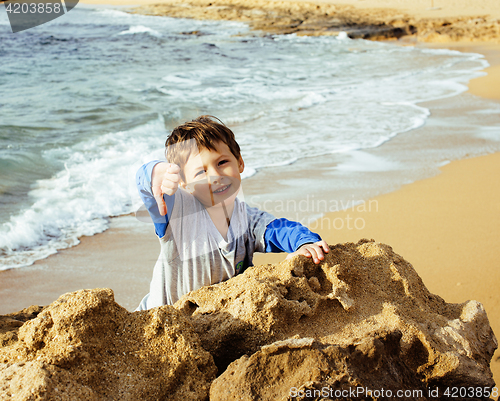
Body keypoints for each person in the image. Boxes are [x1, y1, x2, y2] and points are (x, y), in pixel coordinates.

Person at [135, 115, 328, 310]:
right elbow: (146, 185)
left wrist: (304, 243)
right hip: (160, 316)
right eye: (201, 172)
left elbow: (280, 230)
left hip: (218, 317)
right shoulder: (179, 212)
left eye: (222, 163)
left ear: (240, 162)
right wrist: (155, 173)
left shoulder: (248, 219)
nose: (216, 176)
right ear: (184, 183)